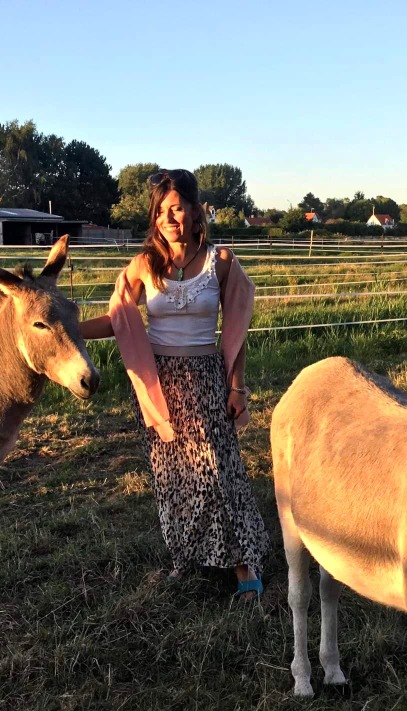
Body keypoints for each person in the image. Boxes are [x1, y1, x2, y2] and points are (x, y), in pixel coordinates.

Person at [81, 169, 269, 599]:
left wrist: (237, 388)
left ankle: (243, 562)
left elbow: (236, 333)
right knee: (173, 475)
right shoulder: (143, 265)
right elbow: (118, 319)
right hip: (159, 385)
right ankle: (185, 555)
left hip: (206, 379)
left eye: (178, 208)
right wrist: (67, 328)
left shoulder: (221, 262)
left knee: (220, 472)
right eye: (162, 212)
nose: (170, 219)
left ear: (195, 210)